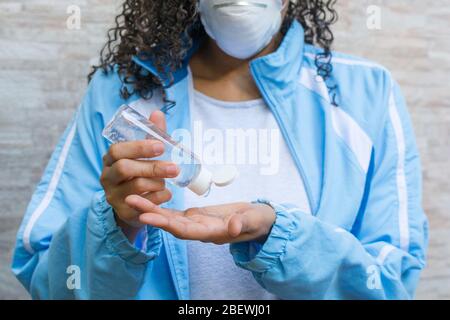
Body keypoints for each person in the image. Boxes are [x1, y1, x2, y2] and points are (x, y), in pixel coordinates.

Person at [12, 0, 428, 299]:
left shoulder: (365, 95)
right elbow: (50, 283)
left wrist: (280, 238)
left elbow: (389, 285)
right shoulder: (120, 93)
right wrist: (118, 225)